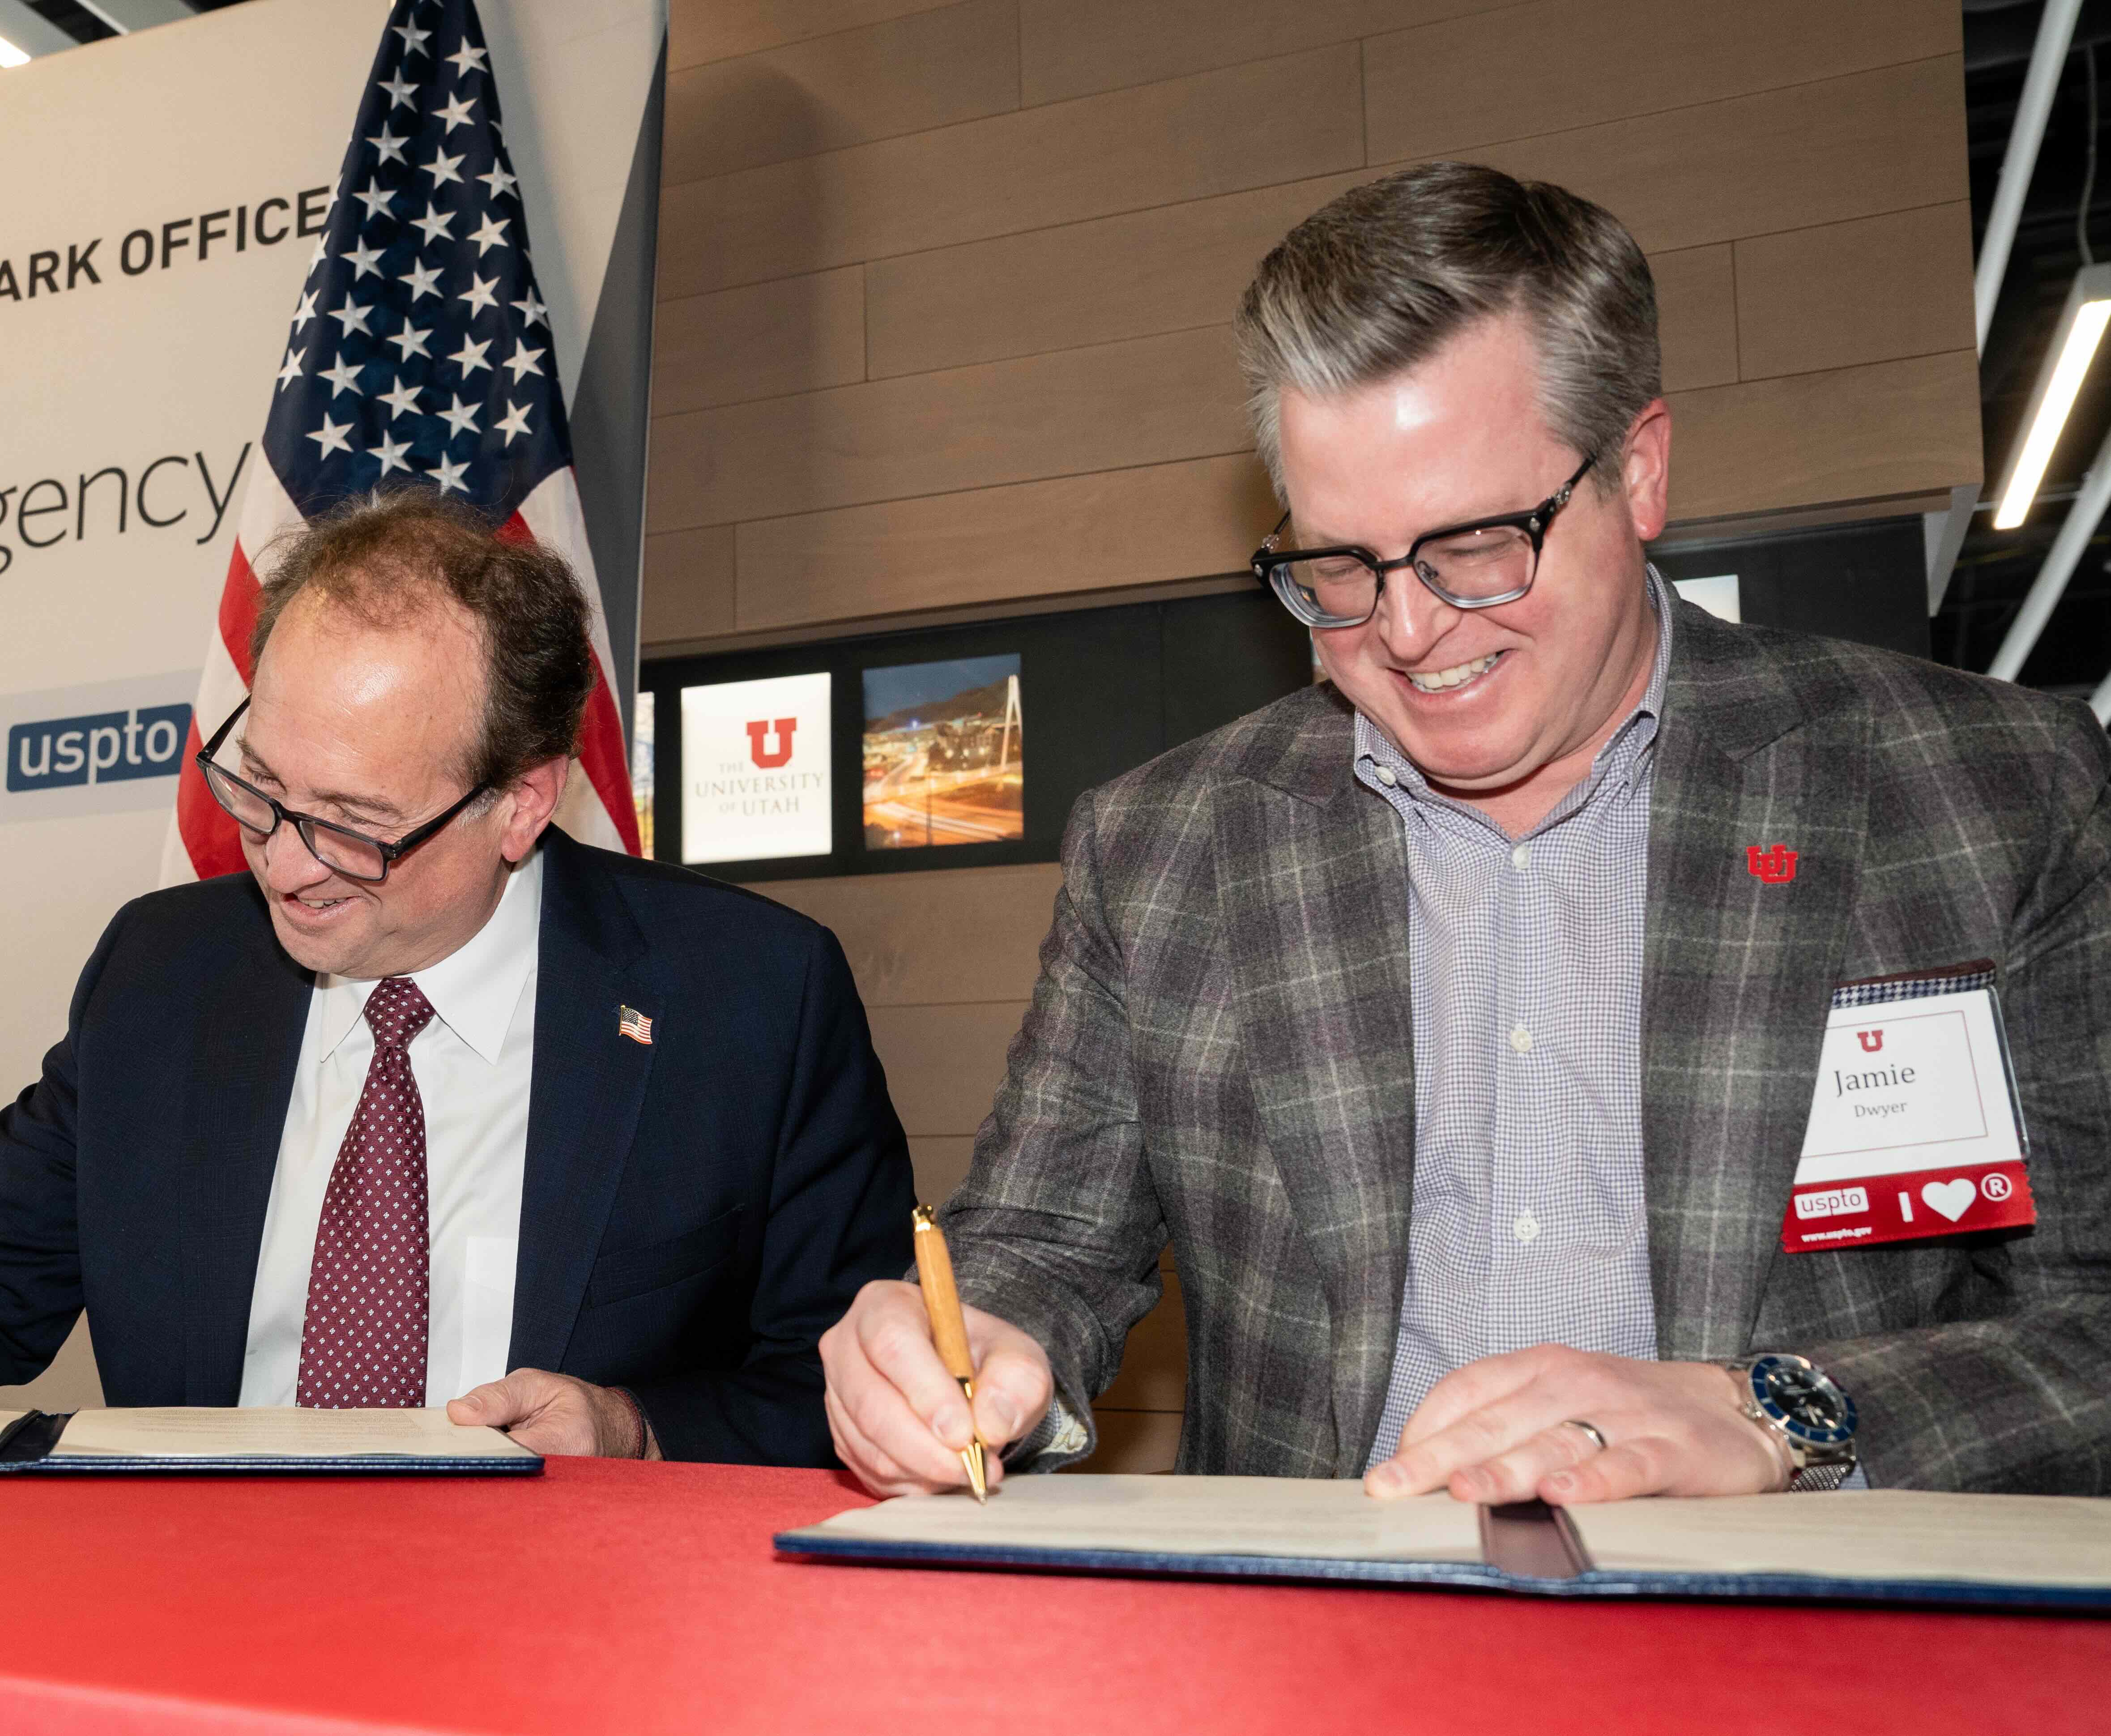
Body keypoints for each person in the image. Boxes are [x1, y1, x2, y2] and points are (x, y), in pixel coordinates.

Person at [823, 161, 2111, 1503]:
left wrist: (1780, 1415)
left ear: (1642, 472)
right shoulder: (1167, 850)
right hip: (1324, 1666)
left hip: (1801, 1666)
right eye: (1336, 564)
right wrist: (965, 1350)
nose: (1408, 629)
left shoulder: (1992, 795)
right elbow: (1039, 1241)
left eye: (1481, 543)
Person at [0, 489, 915, 1464]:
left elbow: (841, 1384)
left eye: (353, 821)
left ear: (523, 804)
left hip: (565, 1641)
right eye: (260, 786)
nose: (284, 861)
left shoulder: (749, 1000)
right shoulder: (165, 973)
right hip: (194, 1622)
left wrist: (634, 1429)